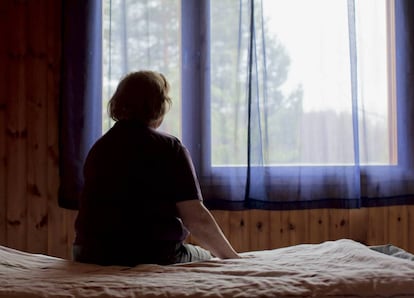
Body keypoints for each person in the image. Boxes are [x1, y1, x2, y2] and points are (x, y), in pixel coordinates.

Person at [73, 70, 240, 266]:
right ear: (159, 106)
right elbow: (195, 218)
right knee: (206, 257)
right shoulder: (170, 148)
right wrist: (234, 259)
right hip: (149, 253)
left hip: (88, 254)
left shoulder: (99, 148)